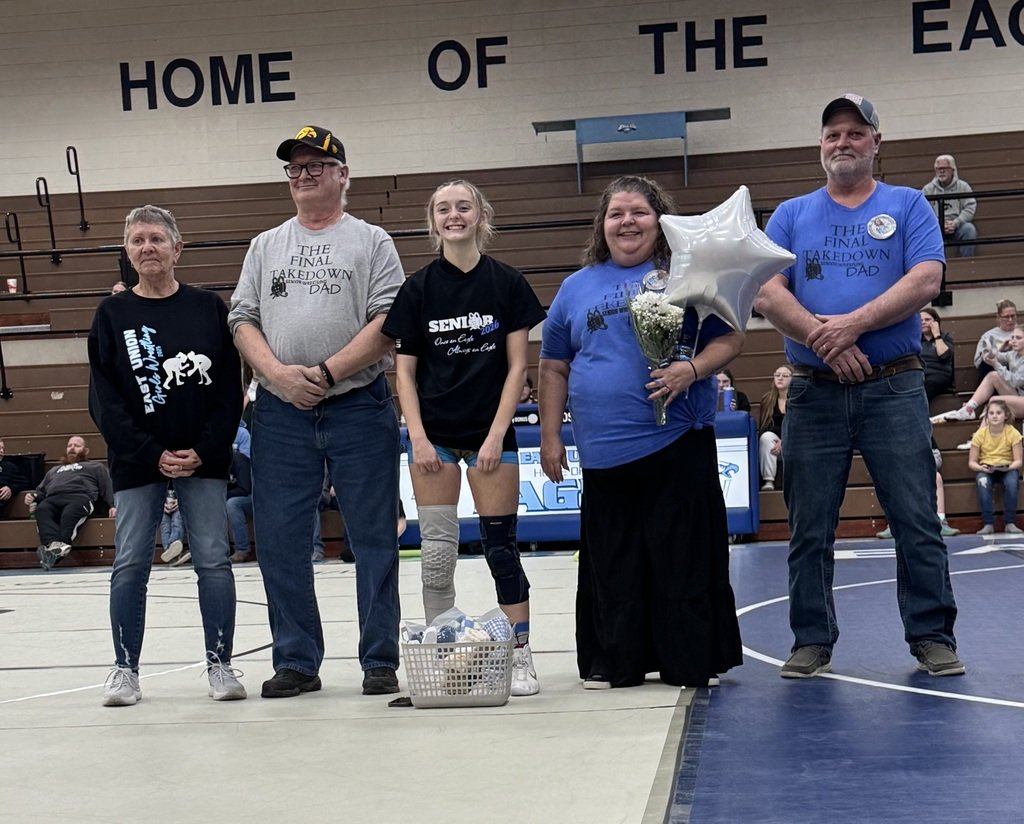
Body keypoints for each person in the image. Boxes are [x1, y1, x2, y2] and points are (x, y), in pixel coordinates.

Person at [754, 93, 963, 678]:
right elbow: (769, 292)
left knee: (916, 518)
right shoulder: (792, 214)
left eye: (854, 132)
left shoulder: (909, 206)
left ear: (876, 143)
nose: (842, 142)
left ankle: (931, 636)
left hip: (894, 387)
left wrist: (851, 326)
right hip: (815, 390)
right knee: (808, 524)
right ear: (820, 148)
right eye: (831, 135)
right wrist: (830, 342)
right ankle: (811, 639)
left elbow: (926, 279)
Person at [539, 175, 744, 690]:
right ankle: (616, 659)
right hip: (604, 450)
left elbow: (730, 339)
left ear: (660, 221)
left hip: (676, 440)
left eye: (639, 212)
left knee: (684, 557)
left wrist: (690, 371)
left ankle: (689, 659)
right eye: (616, 214)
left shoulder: (686, 275)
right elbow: (553, 366)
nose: (627, 221)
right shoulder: (575, 287)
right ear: (601, 225)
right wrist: (550, 435)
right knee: (614, 560)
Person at [229, 125, 405, 699]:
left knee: (373, 536)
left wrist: (327, 374)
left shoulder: (373, 241)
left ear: (342, 174)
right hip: (280, 412)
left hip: (358, 403)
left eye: (315, 166)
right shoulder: (265, 244)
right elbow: (242, 320)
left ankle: (380, 658)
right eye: (294, 169)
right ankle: (297, 661)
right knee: (279, 539)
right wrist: (277, 376)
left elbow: (388, 322)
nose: (303, 176)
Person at [382, 179, 547, 696]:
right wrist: (419, 438)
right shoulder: (418, 289)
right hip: (434, 438)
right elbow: (403, 374)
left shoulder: (508, 283)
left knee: (501, 547)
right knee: (436, 553)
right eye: (443, 209)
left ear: (480, 215)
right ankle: (441, 654)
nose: (454, 215)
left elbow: (519, 365)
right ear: (433, 222)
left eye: (463, 206)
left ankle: (519, 655)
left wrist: (498, 435)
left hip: (489, 435)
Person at [88, 205, 245, 706]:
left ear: (177, 249)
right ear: (127, 252)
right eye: (137, 240)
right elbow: (104, 401)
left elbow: (228, 390)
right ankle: (124, 670)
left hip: (204, 457)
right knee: (130, 563)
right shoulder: (111, 315)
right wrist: (152, 453)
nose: (147, 247)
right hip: (138, 462)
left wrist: (203, 449)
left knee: (214, 562)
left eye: (157, 239)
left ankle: (220, 664)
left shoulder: (208, 308)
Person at [25, 435, 115, 570]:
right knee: (42, 509)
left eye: (77, 445)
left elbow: (107, 486)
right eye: (69, 445)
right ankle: (53, 545)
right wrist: (33, 496)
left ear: (86, 450)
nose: (72, 448)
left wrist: (113, 505)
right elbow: (41, 491)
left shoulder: (95, 467)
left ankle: (54, 549)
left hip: (80, 497)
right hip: (53, 498)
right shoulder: (54, 470)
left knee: (69, 515)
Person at [933, 324, 1024, 423]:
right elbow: (994, 355)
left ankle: (978, 437)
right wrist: (997, 348)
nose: (1013, 341)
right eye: (1012, 337)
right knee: (992, 376)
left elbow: (1015, 381)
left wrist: (996, 364)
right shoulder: (1013, 354)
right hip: (1018, 396)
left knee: (994, 402)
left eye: (1018, 338)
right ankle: (969, 409)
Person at [876, 439, 960, 539]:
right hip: (901, 468)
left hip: (922, 467)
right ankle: (893, 524)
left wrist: (919, 464)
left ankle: (941, 521)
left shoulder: (922, 429)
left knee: (936, 477)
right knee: (893, 479)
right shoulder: (892, 433)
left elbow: (937, 457)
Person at [967, 399, 1023, 535]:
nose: (994, 416)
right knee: (982, 481)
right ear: (987, 416)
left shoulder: (1013, 433)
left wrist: (1008, 467)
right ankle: (988, 524)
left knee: (1011, 483)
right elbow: (972, 462)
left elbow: (1018, 461)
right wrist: (982, 468)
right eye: (991, 413)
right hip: (987, 468)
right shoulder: (980, 434)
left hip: (1007, 468)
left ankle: (1010, 522)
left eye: (998, 413)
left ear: (1006, 415)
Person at [922, 154, 976, 257]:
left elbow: (970, 207)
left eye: (944, 168)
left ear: (952, 170)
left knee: (969, 229)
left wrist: (956, 223)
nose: (941, 171)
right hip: (935, 227)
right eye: (938, 169)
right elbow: (923, 212)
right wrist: (939, 224)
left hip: (957, 225)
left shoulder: (963, 186)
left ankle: (967, 263)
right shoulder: (927, 189)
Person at [757, 365, 792, 491]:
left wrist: (786, 441)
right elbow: (765, 426)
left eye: (785, 376)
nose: (780, 378)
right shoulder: (767, 399)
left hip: (795, 443)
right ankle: (768, 481)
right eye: (777, 375)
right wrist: (780, 442)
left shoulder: (798, 399)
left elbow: (800, 427)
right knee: (765, 437)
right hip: (775, 446)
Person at [973, 299, 1017, 384]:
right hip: (996, 369)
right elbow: (979, 362)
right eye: (1006, 317)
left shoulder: (1020, 332)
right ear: (998, 318)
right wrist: (1001, 348)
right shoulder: (989, 336)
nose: (1010, 320)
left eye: (1013, 316)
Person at [920, 307, 955, 403]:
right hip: (921, 375)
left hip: (939, 376)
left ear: (936, 322)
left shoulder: (945, 338)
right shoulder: (915, 340)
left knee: (930, 383)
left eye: (927, 320)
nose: (923, 322)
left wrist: (937, 335)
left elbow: (944, 356)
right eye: (920, 320)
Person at [158, 485, 190, 566]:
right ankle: (173, 553)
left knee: (177, 520)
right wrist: (161, 503)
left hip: (179, 504)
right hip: (163, 505)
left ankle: (170, 548)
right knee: (165, 525)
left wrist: (180, 502)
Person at [0, 438, 31, 518]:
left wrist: (10, 488)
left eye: (3, 449)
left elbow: (24, 483)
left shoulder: (9, 467)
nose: (2, 451)